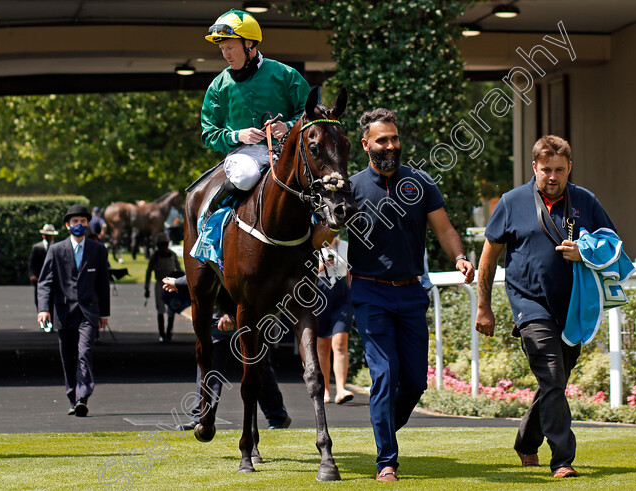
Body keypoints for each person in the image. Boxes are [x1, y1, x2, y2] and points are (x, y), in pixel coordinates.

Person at [474, 135, 617, 479]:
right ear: (534, 167)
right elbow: (489, 258)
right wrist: (484, 307)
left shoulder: (585, 200)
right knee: (553, 376)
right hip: (529, 304)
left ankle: (526, 441)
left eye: (560, 170)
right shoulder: (510, 202)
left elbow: (611, 242)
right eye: (546, 170)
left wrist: (583, 252)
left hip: (572, 308)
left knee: (556, 382)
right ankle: (562, 460)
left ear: (569, 168)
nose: (553, 177)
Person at [344, 108, 475, 482]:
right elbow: (325, 234)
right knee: (385, 374)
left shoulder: (420, 183)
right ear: (366, 144)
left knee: (415, 380)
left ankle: (384, 426)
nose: (390, 145)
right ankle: (387, 460)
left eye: (395, 138)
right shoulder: (351, 188)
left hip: (412, 292)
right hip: (370, 292)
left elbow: (445, 229)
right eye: (382, 139)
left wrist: (461, 257)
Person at [200, 9, 310, 214]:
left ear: (249, 44)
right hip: (243, 156)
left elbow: (311, 115)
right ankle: (211, 215)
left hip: (287, 152)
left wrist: (287, 126)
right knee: (246, 176)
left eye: (230, 47)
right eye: (222, 49)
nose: (226, 55)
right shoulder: (218, 86)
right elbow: (208, 134)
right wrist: (237, 135)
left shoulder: (286, 75)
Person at [161, 276, 291, 430]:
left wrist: (231, 312)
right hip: (226, 315)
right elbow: (204, 267)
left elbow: (240, 275)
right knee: (211, 364)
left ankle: (277, 417)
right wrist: (182, 282)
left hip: (246, 312)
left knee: (257, 367)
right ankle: (201, 417)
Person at [37, 204, 111, 417]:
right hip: (64, 312)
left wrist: (104, 313)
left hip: (89, 312)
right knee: (68, 356)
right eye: (75, 222)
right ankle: (72, 396)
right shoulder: (56, 250)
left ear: (88, 223)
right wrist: (44, 309)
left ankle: (83, 397)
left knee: (85, 352)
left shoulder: (98, 250)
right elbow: (45, 282)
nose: (80, 225)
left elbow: (103, 283)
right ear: (67, 225)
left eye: (83, 221)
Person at [316, 239, 355, 405]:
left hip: (342, 300)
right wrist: (323, 265)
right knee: (322, 346)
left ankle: (341, 389)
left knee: (340, 344)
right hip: (319, 297)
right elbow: (302, 272)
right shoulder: (314, 246)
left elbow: (350, 275)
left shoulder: (345, 246)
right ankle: (325, 389)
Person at [145, 233, 182, 342]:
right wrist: (146, 288)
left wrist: (181, 284)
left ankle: (169, 332)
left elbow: (179, 270)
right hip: (160, 283)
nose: (163, 247)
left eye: (165, 245)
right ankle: (162, 333)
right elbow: (148, 272)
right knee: (160, 308)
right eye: (161, 245)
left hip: (171, 283)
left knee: (172, 308)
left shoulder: (172, 255)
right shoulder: (155, 256)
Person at [28, 223, 59, 321]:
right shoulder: (37, 247)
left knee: (54, 298)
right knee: (40, 297)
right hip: (39, 277)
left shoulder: (58, 247)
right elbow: (31, 263)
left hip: (55, 278)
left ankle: (52, 318)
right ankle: (42, 316)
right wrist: (32, 274)